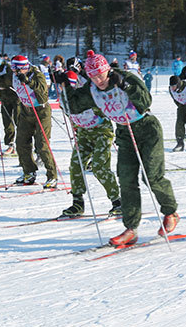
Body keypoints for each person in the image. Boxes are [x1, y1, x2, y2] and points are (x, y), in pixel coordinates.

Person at [62, 51, 179, 247]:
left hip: (146, 128)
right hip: (125, 132)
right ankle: (131, 229)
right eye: (93, 76)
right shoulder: (92, 88)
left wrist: (126, 86)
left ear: (107, 70)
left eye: (101, 74)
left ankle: (170, 211)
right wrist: (65, 84)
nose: (98, 80)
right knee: (126, 179)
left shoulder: (124, 77)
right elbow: (73, 106)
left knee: (151, 176)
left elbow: (145, 102)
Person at [55, 59, 122, 218]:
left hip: (101, 131)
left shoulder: (86, 95)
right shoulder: (64, 100)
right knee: (75, 166)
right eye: (62, 87)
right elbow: (72, 117)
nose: (63, 89)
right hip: (84, 134)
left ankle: (118, 202)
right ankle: (77, 203)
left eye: (68, 86)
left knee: (99, 167)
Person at [10, 55, 57, 189]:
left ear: (24, 68)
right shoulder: (14, 74)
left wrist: (28, 82)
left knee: (42, 145)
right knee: (21, 142)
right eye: (13, 68)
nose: (14, 71)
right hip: (26, 111)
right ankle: (29, 172)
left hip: (41, 111)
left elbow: (43, 95)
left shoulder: (37, 75)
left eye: (16, 69)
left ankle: (52, 175)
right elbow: (3, 82)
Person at [0, 50, 19, 156]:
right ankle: (10, 144)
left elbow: (8, 82)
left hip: (16, 98)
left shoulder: (8, 68)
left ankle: (25, 144)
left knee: (19, 121)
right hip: (4, 99)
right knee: (7, 122)